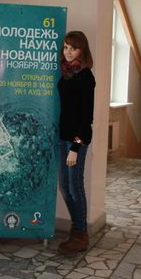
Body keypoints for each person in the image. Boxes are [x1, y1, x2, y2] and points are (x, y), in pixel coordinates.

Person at [57, 31, 96, 254]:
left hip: (76, 141)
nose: (68, 52)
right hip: (63, 137)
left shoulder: (85, 76)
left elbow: (86, 118)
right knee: (64, 187)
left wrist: (75, 146)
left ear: (82, 50)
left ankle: (81, 234)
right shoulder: (66, 73)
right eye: (65, 47)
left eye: (73, 48)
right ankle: (77, 228)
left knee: (75, 187)